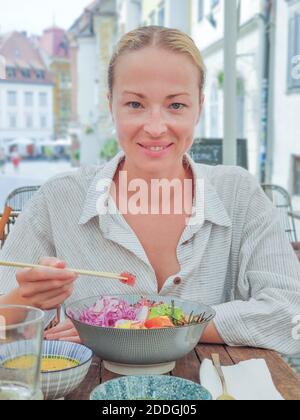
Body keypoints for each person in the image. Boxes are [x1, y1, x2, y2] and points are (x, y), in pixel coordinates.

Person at [0, 26, 300, 354]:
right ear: (110, 105)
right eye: (134, 104)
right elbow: (3, 324)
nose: (156, 127)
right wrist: (25, 299)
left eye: (176, 106)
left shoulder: (238, 193)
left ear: (198, 107)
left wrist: (138, 325)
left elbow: (290, 315)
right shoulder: (59, 198)